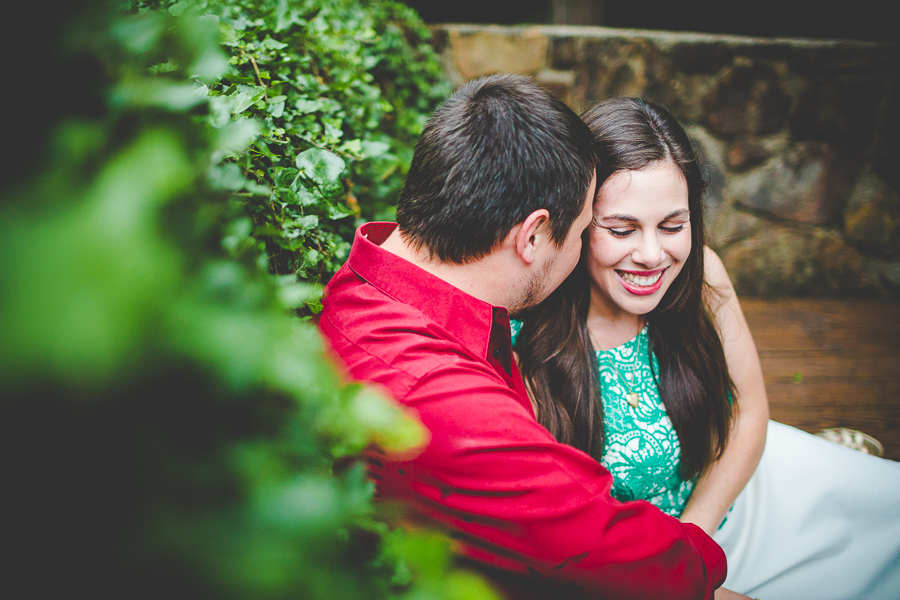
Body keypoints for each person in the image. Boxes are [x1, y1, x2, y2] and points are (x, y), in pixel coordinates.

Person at [319, 75, 733, 599]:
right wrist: (707, 569)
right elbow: (599, 551)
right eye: (586, 230)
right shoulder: (450, 405)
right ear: (533, 236)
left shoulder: (366, 279)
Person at [514, 96, 900, 599]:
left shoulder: (703, 275)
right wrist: (682, 572)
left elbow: (748, 410)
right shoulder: (525, 338)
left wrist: (694, 536)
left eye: (673, 226)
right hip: (640, 575)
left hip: (743, 490)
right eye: (622, 229)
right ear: (579, 224)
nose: (653, 255)